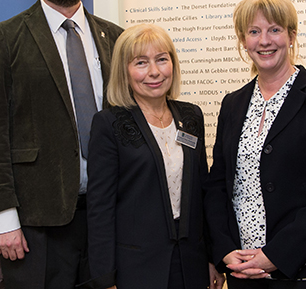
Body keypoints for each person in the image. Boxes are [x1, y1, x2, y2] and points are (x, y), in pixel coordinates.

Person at [0, 0, 123, 288]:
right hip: (34, 226)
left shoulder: (116, 39)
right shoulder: (6, 38)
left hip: (107, 217)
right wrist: (3, 220)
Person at [204, 0, 306, 288]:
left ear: (291, 35)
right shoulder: (232, 104)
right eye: (254, 32)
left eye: (274, 30)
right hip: (243, 270)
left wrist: (276, 255)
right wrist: (225, 251)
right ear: (244, 41)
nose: (264, 41)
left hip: (305, 272)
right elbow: (218, 184)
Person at [83, 24, 224, 289]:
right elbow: (100, 209)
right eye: (141, 62)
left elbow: (201, 196)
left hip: (190, 265)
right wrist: (104, 279)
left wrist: (212, 258)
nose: (154, 72)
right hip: (136, 271)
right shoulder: (109, 123)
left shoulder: (191, 116)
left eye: (162, 59)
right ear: (124, 71)